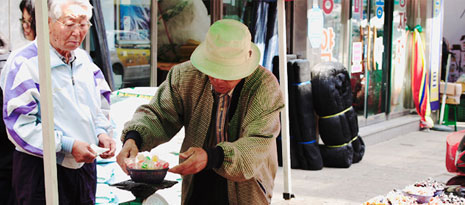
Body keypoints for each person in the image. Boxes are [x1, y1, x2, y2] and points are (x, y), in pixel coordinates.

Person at [117, 19, 284, 204]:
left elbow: (257, 143)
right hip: (197, 178)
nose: (217, 80)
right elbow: (159, 114)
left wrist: (213, 157)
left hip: (247, 183)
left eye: (226, 74)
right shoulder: (185, 75)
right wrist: (134, 138)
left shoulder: (264, 86)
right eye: (212, 70)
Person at [0, 0, 115, 204]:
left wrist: (101, 132)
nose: (77, 32)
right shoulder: (25, 63)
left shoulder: (84, 60)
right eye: (70, 23)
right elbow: (19, 124)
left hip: (83, 168)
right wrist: (68, 145)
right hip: (40, 171)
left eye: (83, 24)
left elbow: (99, 105)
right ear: (48, 22)